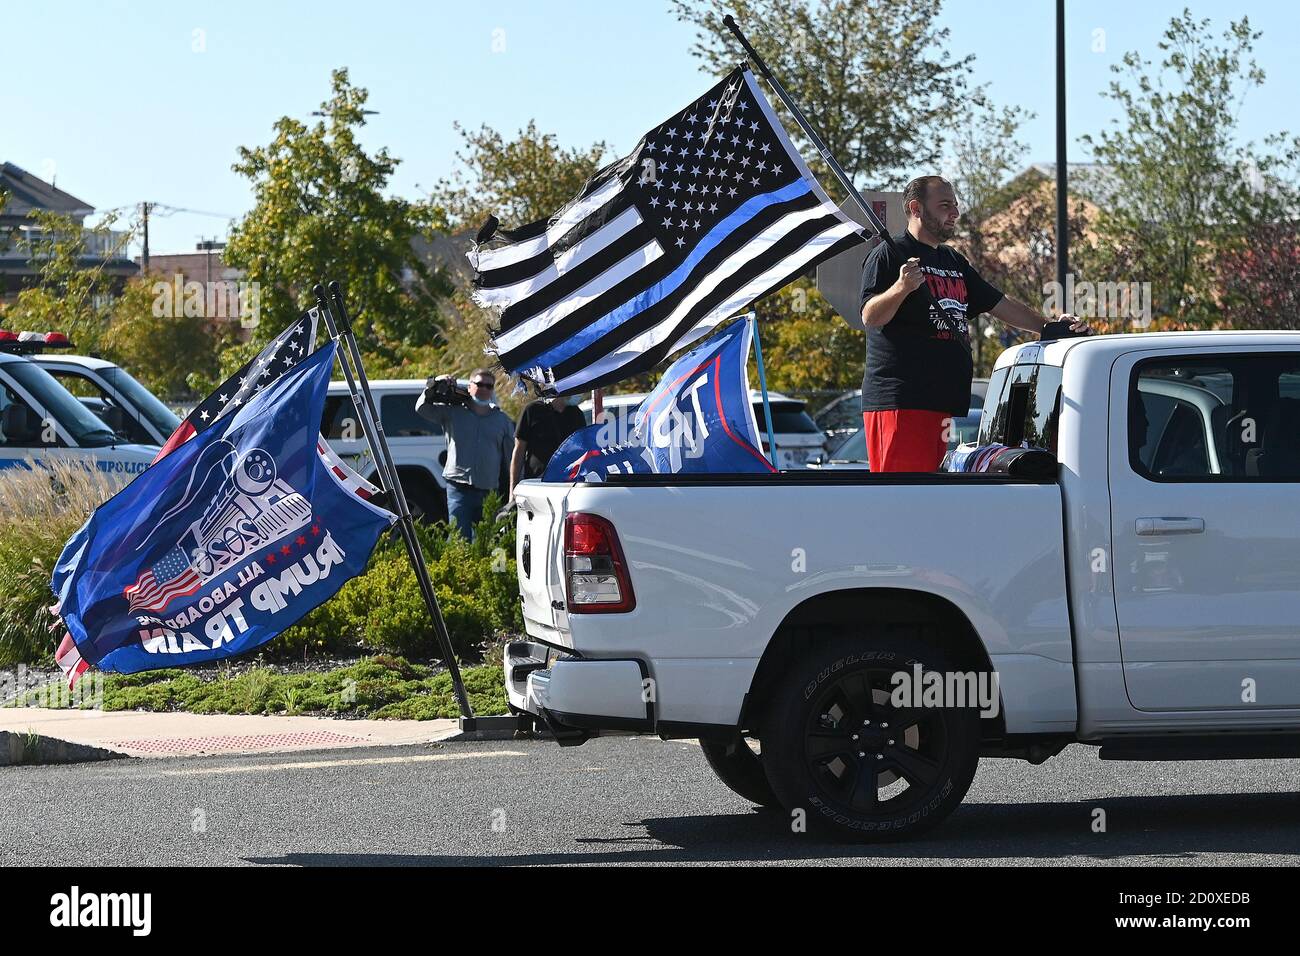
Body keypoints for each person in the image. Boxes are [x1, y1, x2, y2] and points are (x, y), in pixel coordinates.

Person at [860, 175, 1090, 473]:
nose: (954, 212)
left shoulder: (953, 261)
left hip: (939, 402)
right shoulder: (890, 254)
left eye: (955, 205)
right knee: (905, 503)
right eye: (945, 205)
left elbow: (999, 304)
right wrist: (901, 287)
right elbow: (870, 315)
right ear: (916, 208)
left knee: (927, 499)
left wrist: (1049, 327)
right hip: (902, 402)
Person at [414, 368, 514, 540]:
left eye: (489, 386)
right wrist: (436, 382)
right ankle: (459, 567)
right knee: (459, 539)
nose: (484, 389)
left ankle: (492, 569)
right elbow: (421, 408)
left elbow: (510, 458)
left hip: (488, 490)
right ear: (469, 387)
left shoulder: (502, 420)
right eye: (479, 384)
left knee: (489, 541)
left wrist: (511, 492)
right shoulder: (453, 412)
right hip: (458, 488)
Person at [509, 393, 587, 498]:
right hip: (537, 484)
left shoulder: (577, 414)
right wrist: (513, 490)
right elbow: (519, 451)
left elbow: (583, 452)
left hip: (567, 485)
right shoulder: (532, 410)